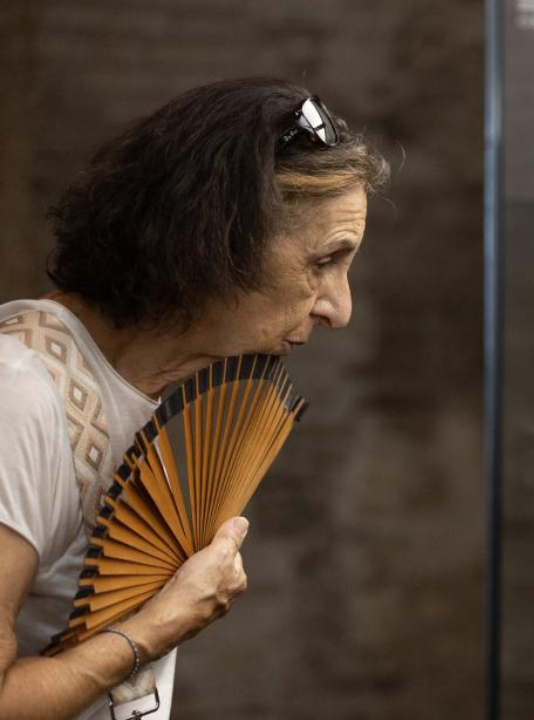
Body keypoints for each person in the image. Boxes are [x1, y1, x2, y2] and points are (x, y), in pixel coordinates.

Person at [0, 78, 389, 720]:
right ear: (214, 240)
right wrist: (156, 630)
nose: (338, 310)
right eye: (325, 260)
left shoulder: (143, 389)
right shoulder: (19, 395)